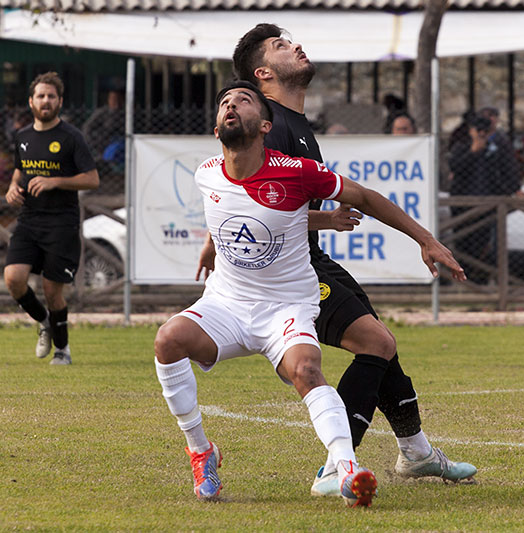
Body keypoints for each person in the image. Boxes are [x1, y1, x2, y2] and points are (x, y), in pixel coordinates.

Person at [159, 80, 465, 507]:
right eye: (224, 102)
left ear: (265, 125)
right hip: (226, 303)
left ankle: (345, 469)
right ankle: (201, 451)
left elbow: (366, 198)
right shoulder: (206, 172)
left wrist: (425, 239)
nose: (231, 106)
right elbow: (231, 210)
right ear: (215, 128)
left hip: (286, 304)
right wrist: (212, 244)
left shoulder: (295, 170)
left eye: (243, 101)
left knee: (307, 370)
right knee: (167, 341)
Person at [227, 23, 477, 498]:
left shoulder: (296, 125)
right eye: (282, 46)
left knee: (383, 345)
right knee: (376, 342)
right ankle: (336, 467)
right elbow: (252, 215)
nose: (297, 45)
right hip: (285, 276)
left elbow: (348, 197)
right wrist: (324, 222)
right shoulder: (270, 126)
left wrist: (422, 237)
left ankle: (417, 452)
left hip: (312, 260)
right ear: (262, 73)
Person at [3, 72, 99, 365]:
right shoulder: (22, 137)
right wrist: (11, 187)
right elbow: (21, 169)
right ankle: (43, 321)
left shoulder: (71, 137)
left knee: (51, 291)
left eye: (51, 96)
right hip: (29, 220)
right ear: (31, 101)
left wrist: (55, 181)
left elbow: (92, 179)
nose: (46, 101)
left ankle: (62, 350)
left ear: (59, 101)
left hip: (61, 223)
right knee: (13, 279)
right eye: (41, 96)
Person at [448, 116, 523, 284]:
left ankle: (480, 282)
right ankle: (464, 282)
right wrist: (473, 152)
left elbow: (506, 172)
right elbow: (455, 167)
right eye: (478, 131)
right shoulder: (462, 147)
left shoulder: (495, 150)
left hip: (488, 207)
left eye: (485, 132)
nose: (481, 135)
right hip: (463, 207)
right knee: (463, 246)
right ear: (471, 131)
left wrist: (508, 191)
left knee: (484, 248)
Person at [82, 89, 124, 159]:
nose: (117, 103)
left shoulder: (123, 114)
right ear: (109, 100)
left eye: (119, 100)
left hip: (118, 142)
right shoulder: (102, 112)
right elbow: (87, 127)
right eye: (114, 100)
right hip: (102, 143)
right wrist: (93, 142)